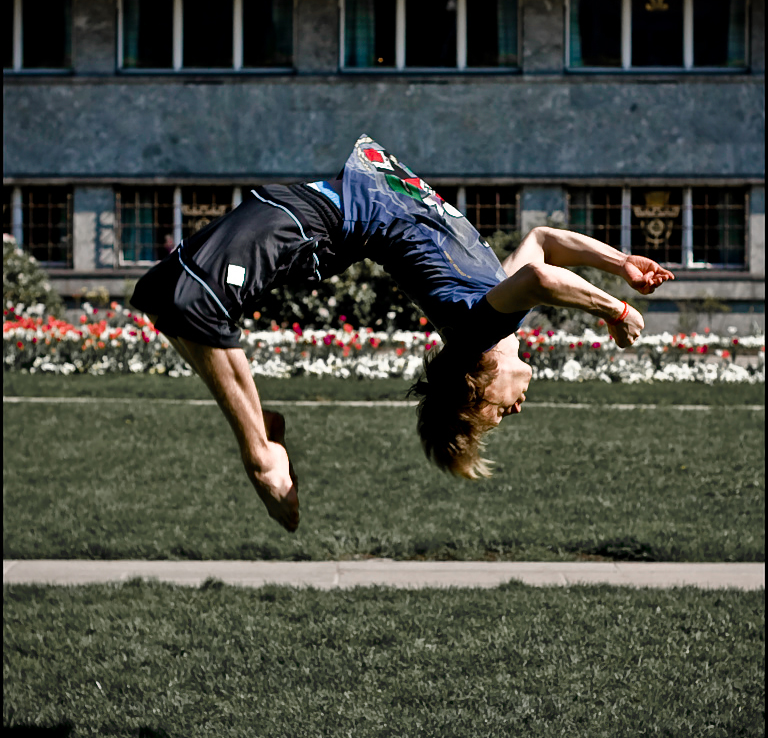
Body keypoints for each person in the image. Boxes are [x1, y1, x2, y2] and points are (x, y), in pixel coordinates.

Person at [130, 134, 674, 532]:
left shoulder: (474, 333)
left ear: (475, 387)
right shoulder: (493, 312)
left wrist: (614, 312)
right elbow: (542, 246)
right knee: (166, 293)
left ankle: (262, 455)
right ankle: (261, 425)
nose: (514, 411)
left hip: (312, 221)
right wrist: (620, 264)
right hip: (310, 216)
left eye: (495, 415)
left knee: (187, 300)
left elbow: (541, 278)